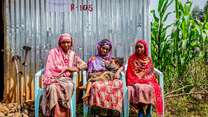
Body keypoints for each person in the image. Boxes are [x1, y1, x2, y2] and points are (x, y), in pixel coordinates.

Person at [41, 33, 87, 117]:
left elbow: (84, 65)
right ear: (60, 43)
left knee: (69, 86)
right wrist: (53, 78)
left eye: (68, 42)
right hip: (53, 78)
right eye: (63, 42)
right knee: (52, 88)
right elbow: (49, 68)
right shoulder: (53, 52)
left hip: (66, 80)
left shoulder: (72, 55)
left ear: (71, 43)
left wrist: (70, 68)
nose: (66, 44)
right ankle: (54, 114)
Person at [84, 39, 124, 114]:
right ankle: (98, 111)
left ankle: (112, 111)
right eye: (103, 48)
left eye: (107, 49)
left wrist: (118, 71)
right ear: (99, 47)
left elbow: (122, 66)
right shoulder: (93, 59)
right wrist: (98, 74)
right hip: (97, 79)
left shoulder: (111, 59)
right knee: (97, 86)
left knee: (117, 84)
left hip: (108, 79)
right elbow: (89, 74)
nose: (105, 50)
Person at [126, 40, 163, 117]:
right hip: (135, 79)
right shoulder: (131, 59)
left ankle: (149, 109)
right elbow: (131, 72)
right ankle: (141, 109)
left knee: (151, 87)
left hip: (148, 80)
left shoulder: (148, 59)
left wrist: (145, 79)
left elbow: (150, 72)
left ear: (144, 48)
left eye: (141, 47)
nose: (139, 49)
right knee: (139, 87)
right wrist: (138, 79)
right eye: (137, 47)